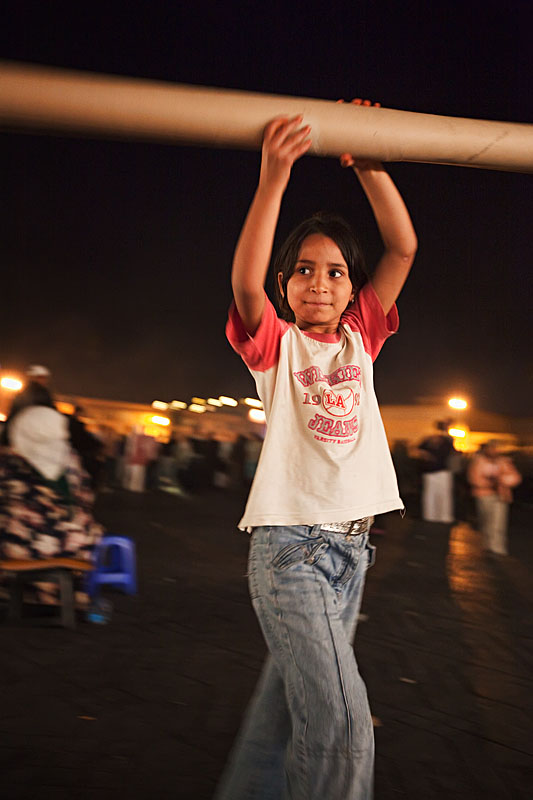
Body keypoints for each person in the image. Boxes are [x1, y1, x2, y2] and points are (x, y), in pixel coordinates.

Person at [216, 111, 417, 800]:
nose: (319, 283)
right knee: (341, 727)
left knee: (286, 721)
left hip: (350, 556)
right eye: (303, 270)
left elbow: (402, 247)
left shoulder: (360, 338)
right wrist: (274, 177)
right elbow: (244, 286)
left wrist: (369, 163)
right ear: (284, 286)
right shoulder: (275, 346)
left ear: (351, 289)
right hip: (289, 553)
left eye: (334, 272)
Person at [0, 405, 103, 605]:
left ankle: (23, 590)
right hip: (75, 546)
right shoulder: (71, 460)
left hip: (22, 548)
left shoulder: (10, 461)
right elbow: (87, 497)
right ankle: (56, 590)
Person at [467, 440, 521, 556]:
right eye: (491, 448)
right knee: (486, 519)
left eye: (495, 448)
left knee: (499, 521)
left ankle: (498, 546)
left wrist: (502, 481)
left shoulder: (504, 462)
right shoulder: (478, 461)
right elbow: (474, 477)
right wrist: (488, 484)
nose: (494, 450)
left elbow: (515, 477)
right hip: (484, 495)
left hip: (500, 496)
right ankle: (487, 543)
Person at [417, 420, 456, 523]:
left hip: (440, 471)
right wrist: (425, 455)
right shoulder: (431, 439)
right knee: (433, 495)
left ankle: (438, 516)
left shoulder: (446, 439)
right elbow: (418, 449)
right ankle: (433, 516)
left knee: (440, 495)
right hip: (433, 471)